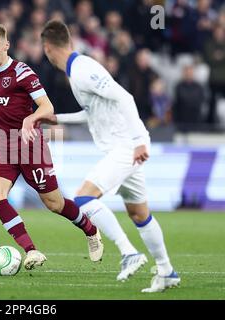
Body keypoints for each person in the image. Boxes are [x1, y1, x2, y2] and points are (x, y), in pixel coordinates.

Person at [39, 20, 181, 293]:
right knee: (139, 213)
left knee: (83, 198)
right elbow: (91, 112)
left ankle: (129, 253)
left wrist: (139, 141)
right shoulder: (77, 71)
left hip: (126, 146)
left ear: (47, 48)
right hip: (124, 147)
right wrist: (55, 118)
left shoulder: (83, 70)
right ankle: (166, 271)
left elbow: (124, 97)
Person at [0, 24, 103, 271]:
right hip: (3, 146)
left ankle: (90, 229)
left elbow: (47, 107)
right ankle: (31, 250)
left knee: (53, 203)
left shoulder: (22, 72)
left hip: (30, 145)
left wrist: (30, 118)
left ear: (6, 45)